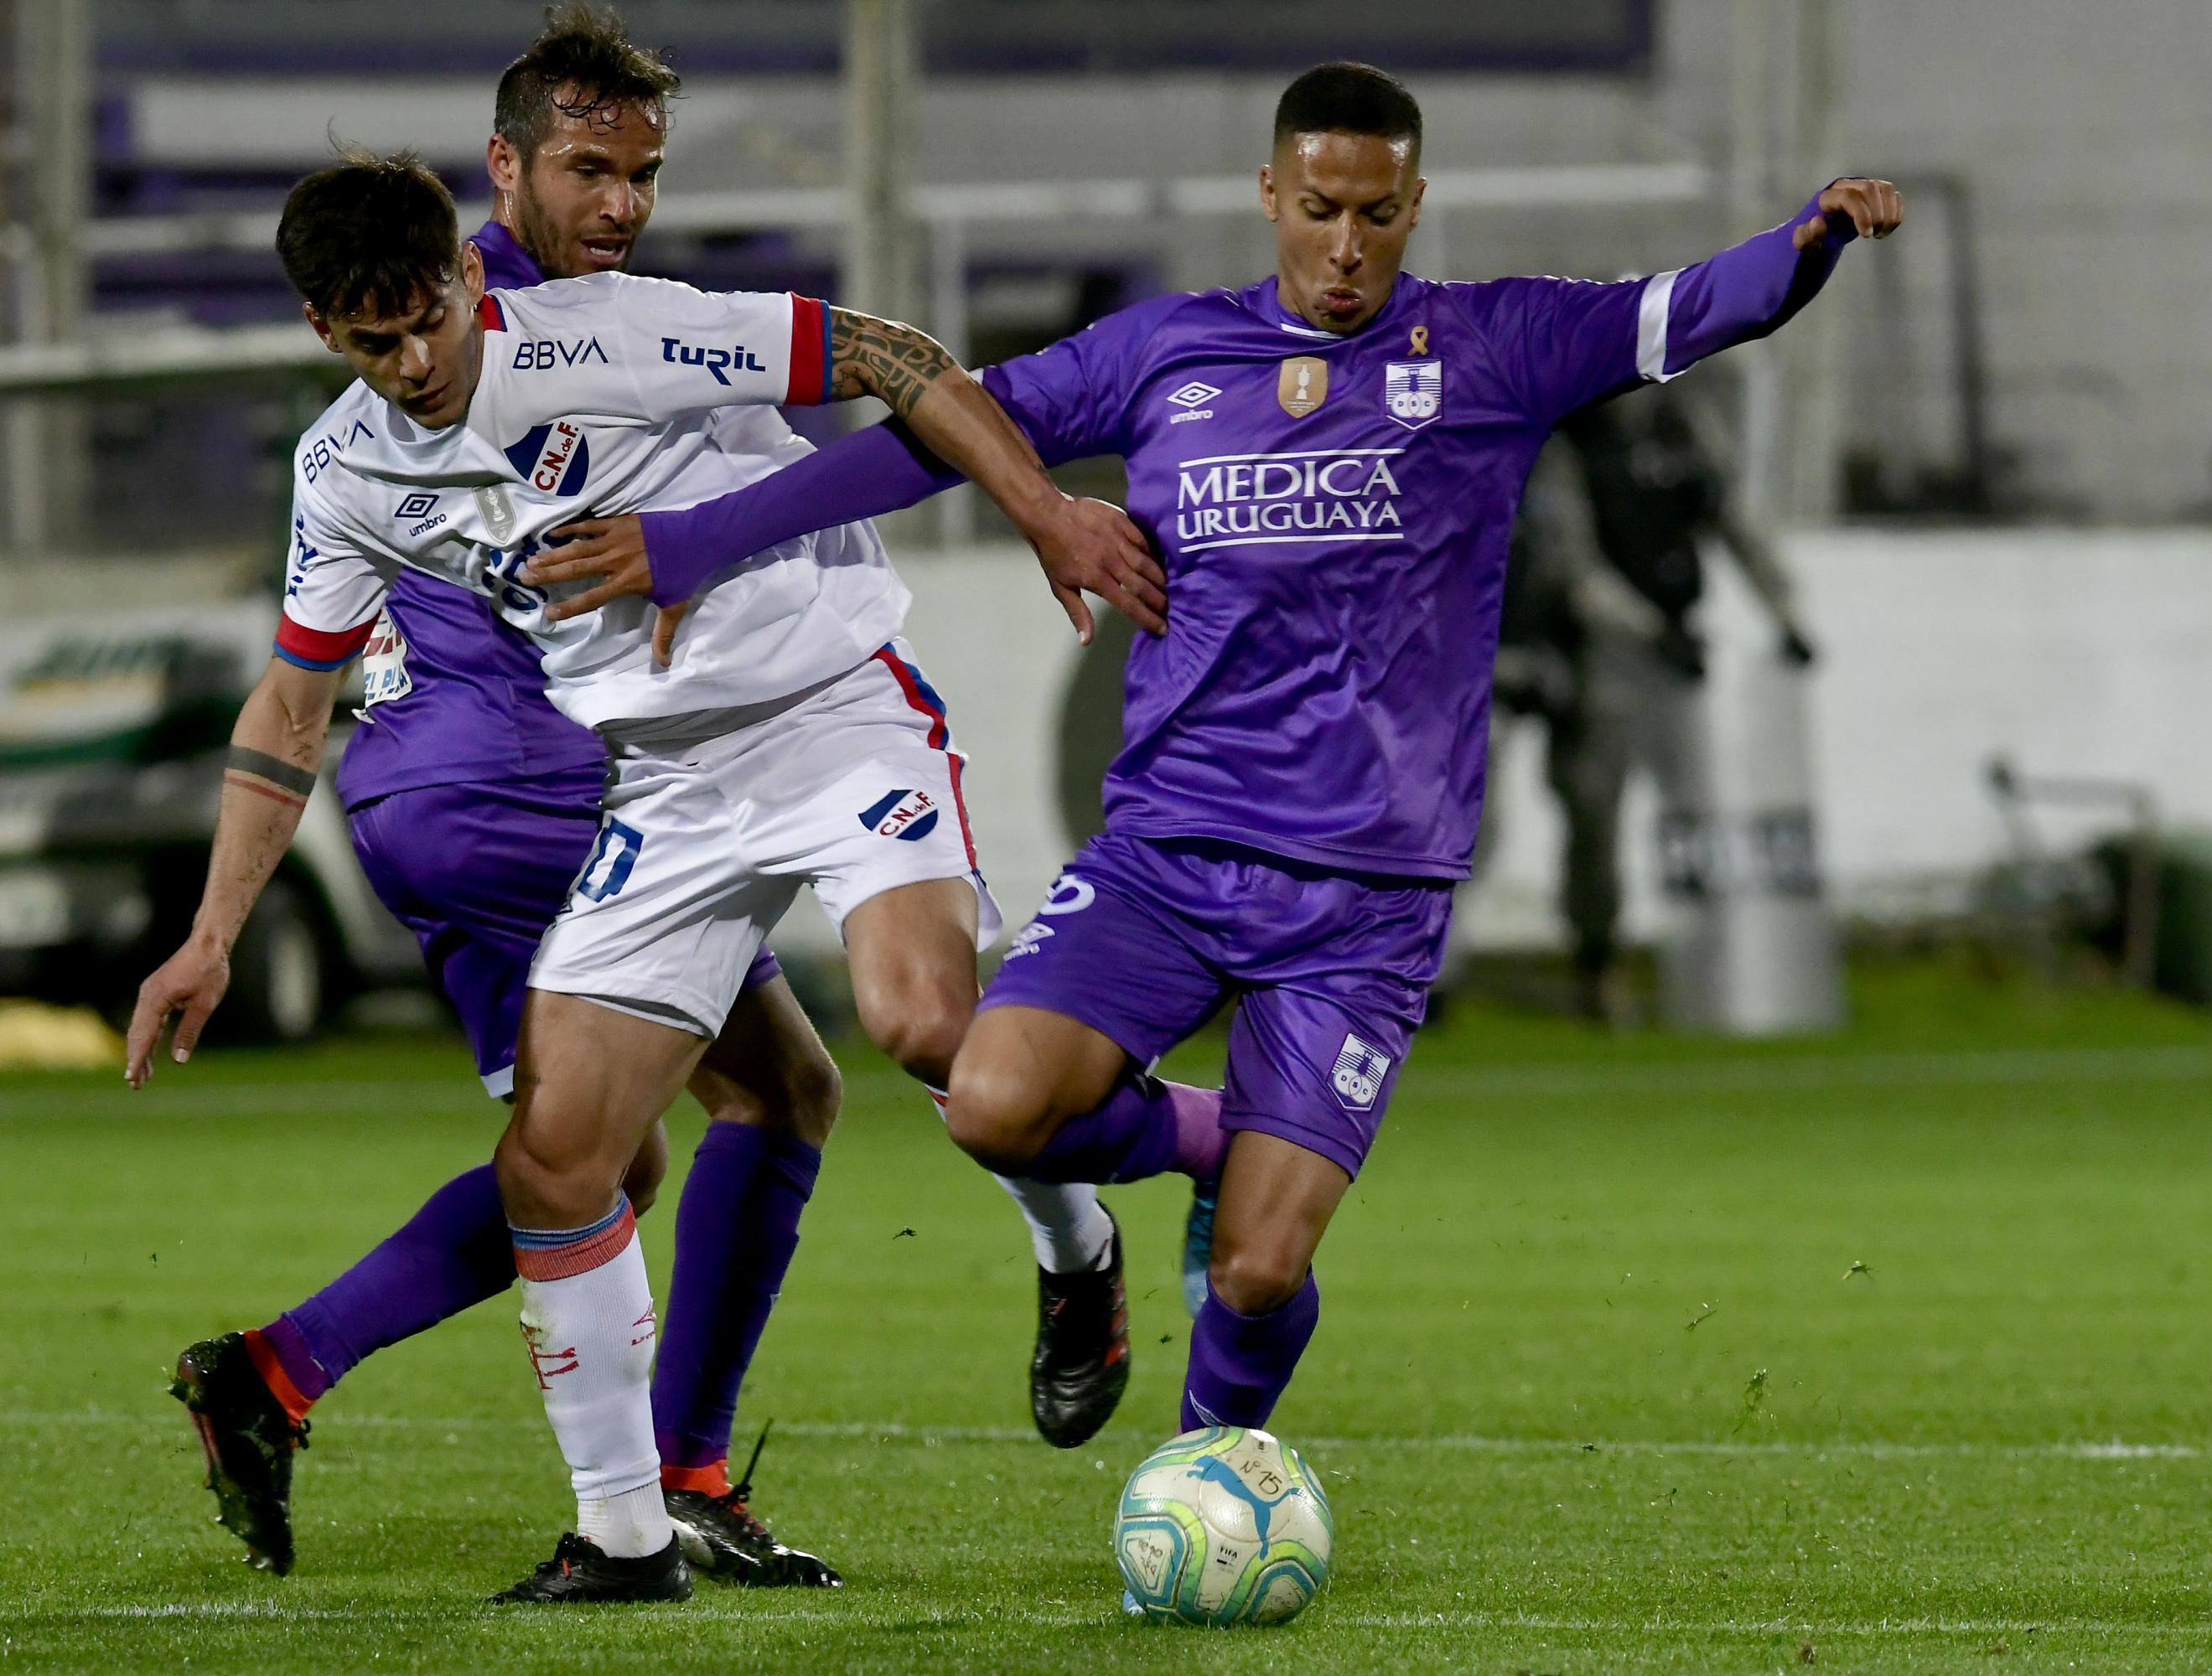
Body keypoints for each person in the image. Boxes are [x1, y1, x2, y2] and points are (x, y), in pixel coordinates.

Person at [521, 61, 1899, 1454]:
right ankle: (1214, 1154)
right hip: (1167, 860)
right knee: (990, 1100)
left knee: (1254, 1272)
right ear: (1270, 194)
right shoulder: (1166, 353)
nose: (1346, 245)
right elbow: (940, 438)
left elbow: (1695, 306)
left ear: (1416, 205)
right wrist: (698, 537)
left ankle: (1198, 1470)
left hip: (1367, 896)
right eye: (1319, 209)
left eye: (1376, 216)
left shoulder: (1495, 346)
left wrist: (1811, 239)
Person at [127, 129, 1186, 1601]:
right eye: (374, 344)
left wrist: (1045, 511)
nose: (413, 364)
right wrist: (211, 934)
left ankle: (1099, 1229)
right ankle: (629, 1530)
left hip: (823, 720)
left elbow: (887, 355)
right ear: (323, 330)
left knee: (914, 1030)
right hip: (647, 785)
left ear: (465, 273)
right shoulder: (346, 467)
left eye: (427, 322)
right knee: (577, 1156)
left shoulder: (604, 331)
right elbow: (293, 700)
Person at [152, 12, 845, 1591]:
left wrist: (215, 931)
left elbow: (300, 684)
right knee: (772, 1099)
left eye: (642, 173)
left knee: (598, 1161)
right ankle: (671, 1491)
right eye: (588, 169)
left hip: (421, 801)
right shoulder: (527, 327)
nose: (619, 205)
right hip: (537, 787)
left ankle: (274, 1375)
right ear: (505, 172)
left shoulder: (450, 338)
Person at [1541, 384, 1816, 1021]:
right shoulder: (1570, 438)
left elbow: (1733, 518)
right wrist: (1648, 630)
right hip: (1603, 655)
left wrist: (1785, 614)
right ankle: (1598, 963)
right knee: (1596, 814)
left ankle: (1727, 962)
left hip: (1681, 645)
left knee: (1712, 809)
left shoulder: (1682, 424)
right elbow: (1573, 565)